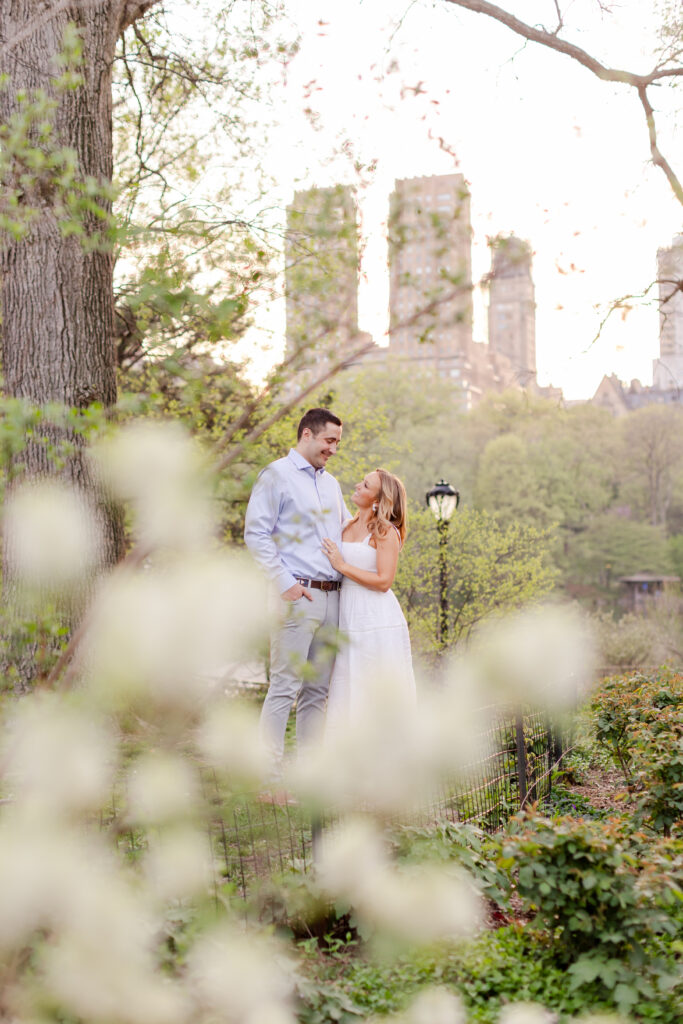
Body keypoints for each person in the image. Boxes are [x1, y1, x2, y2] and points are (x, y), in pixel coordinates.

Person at [244, 408, 349, 799]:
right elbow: (256, 533)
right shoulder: (276, 475)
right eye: (329, 441)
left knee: (317, 693)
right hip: (298, 596)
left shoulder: (332, 485)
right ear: (307, 434)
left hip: (334, 598)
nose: (333, 449)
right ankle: (267, 781)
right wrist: (284, 584)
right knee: (285, 688)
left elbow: (347, 534)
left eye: (337, 442)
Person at [321, 468, 415, 732]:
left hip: (375, 618)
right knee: (346, 686)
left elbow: (384, 581)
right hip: (346, 614)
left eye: (365, 485)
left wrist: (342, 565)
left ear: (377, 499)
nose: (357, 486)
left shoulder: (385, 531)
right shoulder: (345, 525)